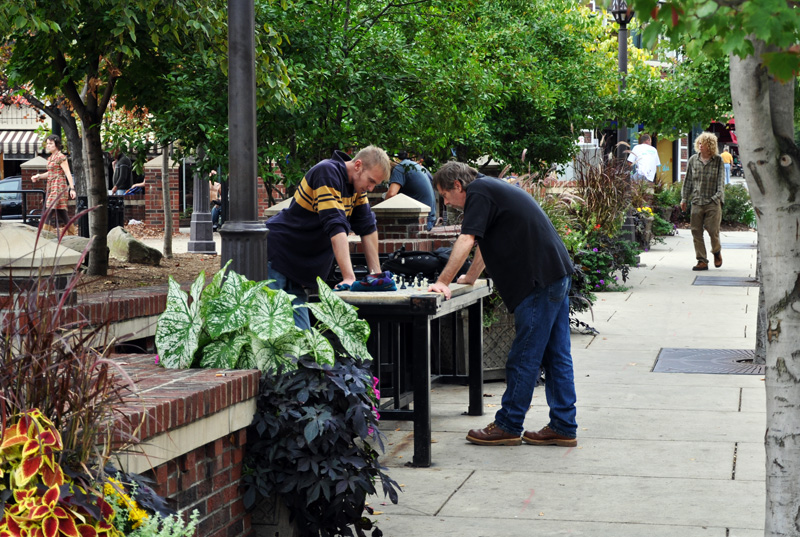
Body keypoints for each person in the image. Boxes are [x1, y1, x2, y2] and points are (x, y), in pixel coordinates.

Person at [427, 162, 577, 447]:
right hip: (555, 274)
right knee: (556, 355)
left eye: (445, 195)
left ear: (457, 185)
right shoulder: (490, 188)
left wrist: (443, 281)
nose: (445, 202)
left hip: (538, 281)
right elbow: (484, 243)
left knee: (524, 356)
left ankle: (508, 424)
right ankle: (563, 425)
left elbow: (468, 238)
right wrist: (470, 276)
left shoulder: (479, 191)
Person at [265, 145, 391, 329]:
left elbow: (368, 227)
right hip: (277, 253)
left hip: (298, 264)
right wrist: (349, 277)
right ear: (357, 165)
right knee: (271, 327)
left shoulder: (357, 188)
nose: (371, 188)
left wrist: (376, 275)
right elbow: (336, 226)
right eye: (371, 181)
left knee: (303, 338)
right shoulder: (327, 172)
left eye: (375, 184)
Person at [681, 132, 725, 271]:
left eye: (703, 144)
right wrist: (684, 199)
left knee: (713, 231)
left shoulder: (718, 161)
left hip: (712, 202)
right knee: (696, 231)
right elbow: (687, 181)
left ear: (710, 145)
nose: (700, 146)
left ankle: (716, 251)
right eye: (699, 143)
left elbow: (721, 182)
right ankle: (702, 260)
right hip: (697, 201)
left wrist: (717, 197)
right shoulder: (693, 160)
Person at [31, 134, 76, 232]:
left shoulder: (61, 157)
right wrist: (39, 176)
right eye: (47, 144)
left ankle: (43, 234)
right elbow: (50, 173)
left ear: (57, 144)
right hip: (51, 185)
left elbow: (68, 173)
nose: (48, 145)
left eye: (51, 143)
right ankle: (72, 232)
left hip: (59, 186)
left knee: (49, 209)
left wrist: (72, 189)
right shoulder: (51, 158)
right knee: (61, 212)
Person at [385, 152, 437, 230]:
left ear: (395, 159)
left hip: (420, 222)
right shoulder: (418, 166)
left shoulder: (400, 167)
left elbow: (391, 195)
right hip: (430, 220)